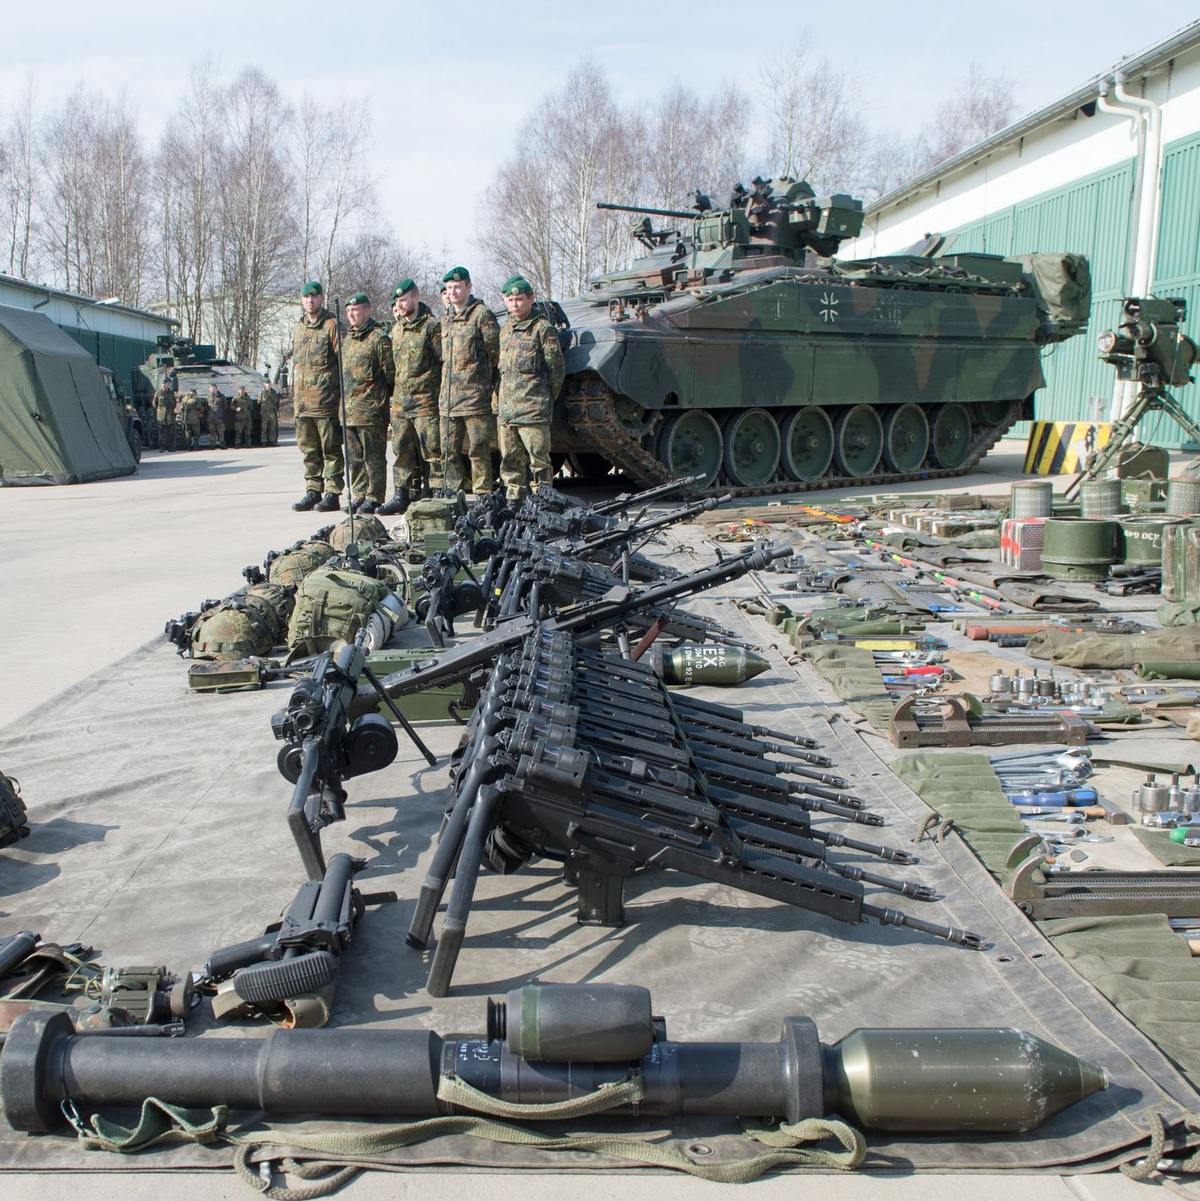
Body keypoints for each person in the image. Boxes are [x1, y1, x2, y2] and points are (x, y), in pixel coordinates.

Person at [497, 276, 565, 502]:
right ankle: (514, 501)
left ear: (531, 299)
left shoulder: (542, 329)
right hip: (507, 413)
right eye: (510, 299)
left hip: (533, 410)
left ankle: (543, 501)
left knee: (539, 461)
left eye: (519, 299)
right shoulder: (505, 330)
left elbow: (556, 370)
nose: (514, 304)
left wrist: (543, 399)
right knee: (510, 462)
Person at [379, 278, 442, 515]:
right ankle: (401, 494)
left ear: (415, 298)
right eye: (397, 301)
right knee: (401, 451)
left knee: (432, 451)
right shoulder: (397, 330)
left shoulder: (431, 326)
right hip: (401, 404)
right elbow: (392, 369)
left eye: (404, 300)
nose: (400, 304)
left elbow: (442, 361)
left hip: (426, 401)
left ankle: (436, 494)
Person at [439, 266, 499, 496]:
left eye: (457, 287)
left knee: (478, 450)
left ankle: (484, 495)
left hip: (474, 398)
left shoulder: (481, 315)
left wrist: (485, 387)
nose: (453, 292)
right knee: (448, 452)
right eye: (449, 288)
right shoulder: (446, 318)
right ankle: (453, 495)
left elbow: (495, 354)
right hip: (448, 401)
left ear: (468, 287)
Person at [290, 281, 344, 512]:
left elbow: (344, 364)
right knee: (309, 451)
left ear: (321, 298)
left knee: (330, 450)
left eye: (314, 297)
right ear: (301, 300)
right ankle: (313, 491)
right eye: (306, 298)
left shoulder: (332, 326)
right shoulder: (299, 328)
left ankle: (332, 493)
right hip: (303, 405)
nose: (310, 301)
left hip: (326, 403)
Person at [340, 291, 394, 513]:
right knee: (354, 458)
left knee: (373, 457)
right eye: (349, 311)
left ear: (367, 311)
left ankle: (374, 496)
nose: (352, 314)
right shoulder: (347, 340)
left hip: (371, 411)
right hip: (349, 411)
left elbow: (390, 375)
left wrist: (381, 402)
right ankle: (359, 494)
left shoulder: (379, 338)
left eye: (356, 310)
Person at [153, 377, 176, 453]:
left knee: (170, 432)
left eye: (167, 383)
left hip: (170, 415)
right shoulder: (158, 393)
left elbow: (174, 404)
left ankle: (170, 446)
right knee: (161, 432)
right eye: (165, 383)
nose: (166, 385)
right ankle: (161, 447)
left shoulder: (171, 393)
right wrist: (159, 411)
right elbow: (154, 403)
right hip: (161, 415)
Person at [259, 381, 280, 446]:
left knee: (272, 428)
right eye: (267, 383)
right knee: (264, 428)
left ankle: (272, 441)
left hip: (272, 413)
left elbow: (276, 401)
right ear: (264, 384)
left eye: (269, 383)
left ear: (270, 384)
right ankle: (264, 441)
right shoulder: (262, 393)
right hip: (264, 413)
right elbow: (259, 401)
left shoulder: (273, 392)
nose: (268, 385)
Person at [206, 384, 226, 450]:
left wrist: (221, 414)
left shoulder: (221, 396)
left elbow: (225, 406)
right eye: (211, 388)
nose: (212, 390)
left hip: (219, 418)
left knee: (221, 432)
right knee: (212, 433)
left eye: (213, 388)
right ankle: (212, 445)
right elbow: (206, 407)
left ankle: (222, 445)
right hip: (211, 418)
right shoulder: (208, 397)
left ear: (216, 389)